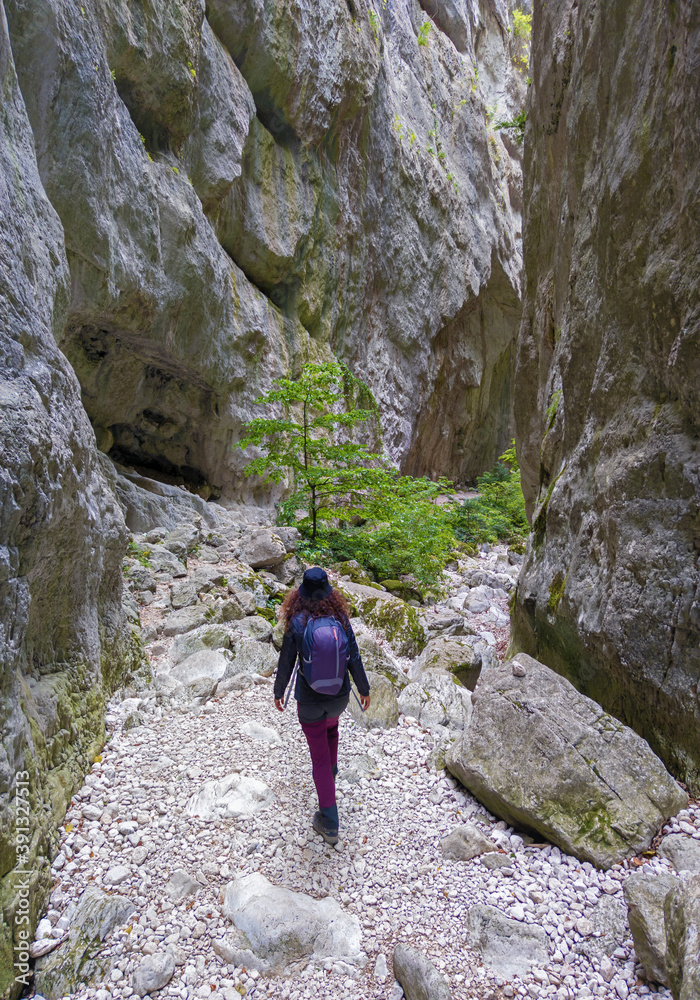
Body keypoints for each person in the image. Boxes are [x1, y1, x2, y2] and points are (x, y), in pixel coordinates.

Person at [274, 567, 370, 845]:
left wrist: (279, 691)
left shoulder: (298, 620)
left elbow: (286, 660)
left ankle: (329, 820)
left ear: (300, 593)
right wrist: (364, 690)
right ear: (329, 591)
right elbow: (354, 656)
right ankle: (332, 772)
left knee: (318, 757)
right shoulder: (339, 617)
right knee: (332, 729)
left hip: (310, 701)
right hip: (339, 697)